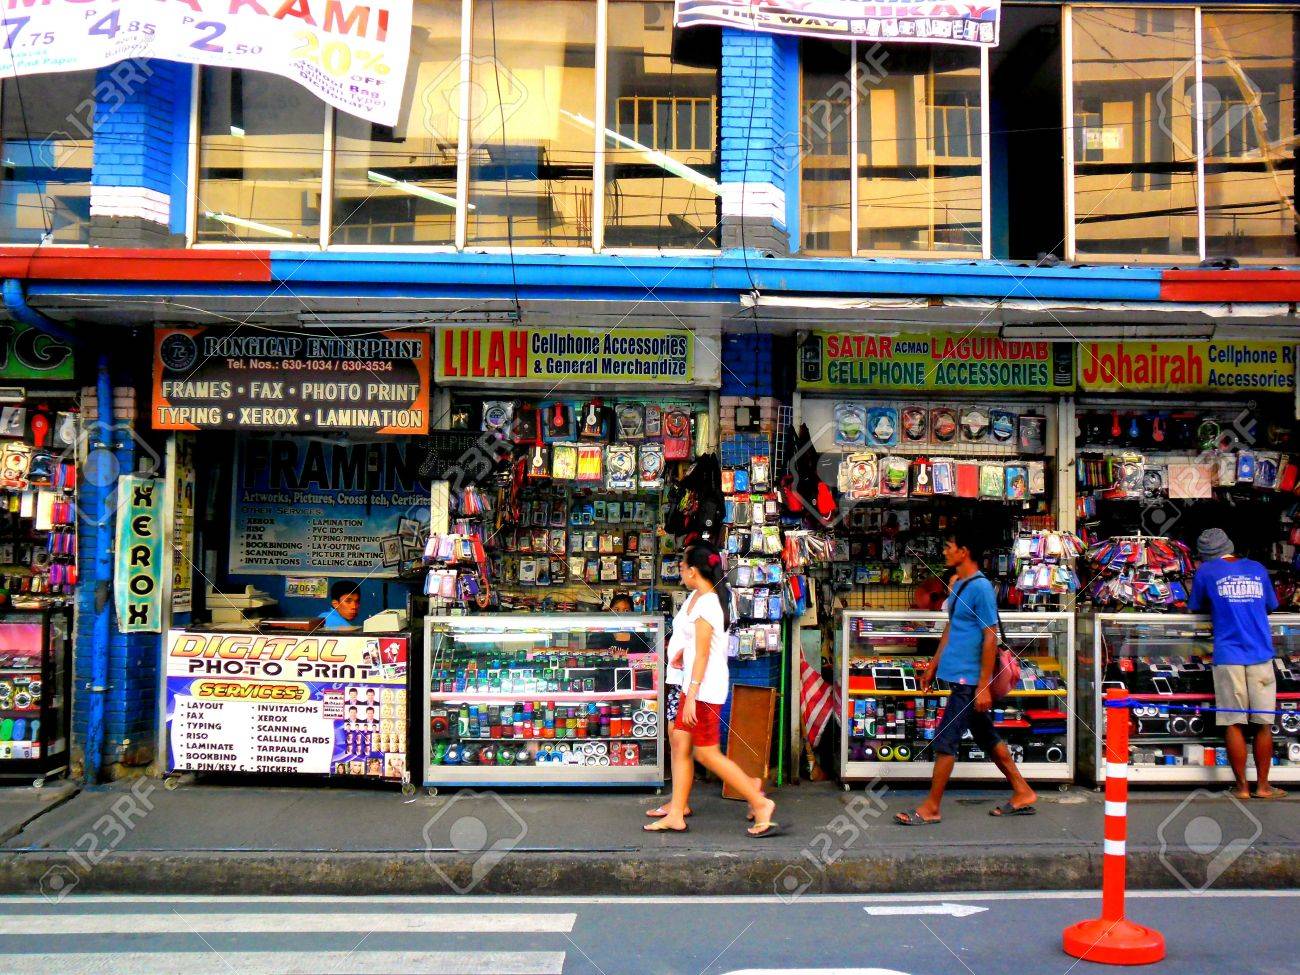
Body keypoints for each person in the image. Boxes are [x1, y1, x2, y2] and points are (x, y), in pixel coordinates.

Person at [896, 530, 1037, 825]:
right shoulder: (959, 584)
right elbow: (952, 627)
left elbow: (990, 637)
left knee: (946, 740)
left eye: (949, 546)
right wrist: (933, 665)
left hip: (969, 680)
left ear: (964, 551)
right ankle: (1022, 791)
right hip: (957, 674)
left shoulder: (982, 588)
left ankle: (932, 807)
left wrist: (983, 686)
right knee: (986, 735)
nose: (945, 552)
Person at [643, 542, 780, 837]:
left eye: (682, 566)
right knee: (684, 746)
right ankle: (676, 813)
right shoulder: (699, 597)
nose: (679, 570)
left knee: (706, 753)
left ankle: (759, 801)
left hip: (702, 690)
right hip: (691, 685)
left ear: (693, 571)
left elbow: (704, 655)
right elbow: (694, 646)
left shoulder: (707, 604)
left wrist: (690, 696)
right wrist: (678, 655)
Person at [1189, 528, 1285, 800]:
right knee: (1263, 723)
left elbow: (1194, 607)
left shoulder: (1206, 572)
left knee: (1234, 723)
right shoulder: (1257, 568)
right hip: (1261, 654)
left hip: (1228, 655)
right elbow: (1271, 605)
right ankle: (1264, 786)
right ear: (1230, 545)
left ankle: (1242, 787)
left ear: (1205, 556)